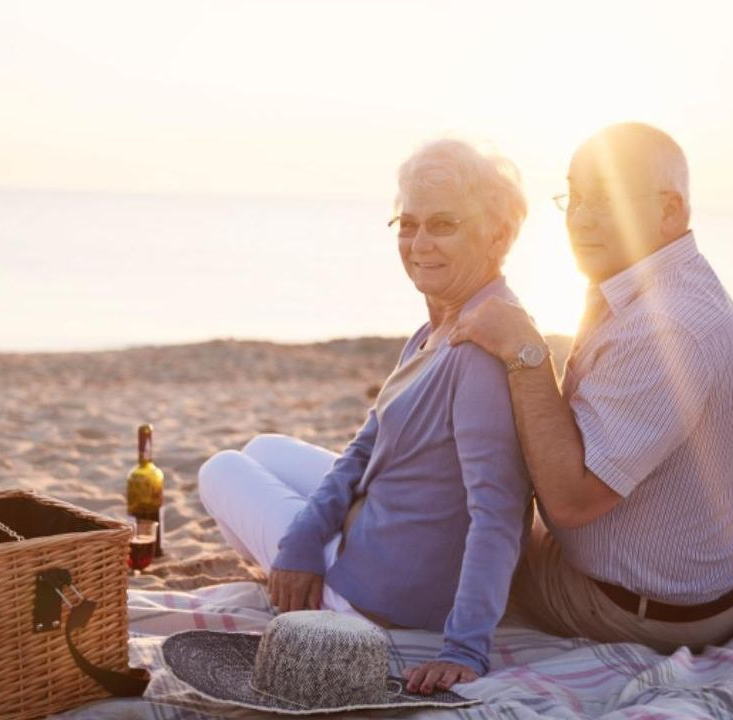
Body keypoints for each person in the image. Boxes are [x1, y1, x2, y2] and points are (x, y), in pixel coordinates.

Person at [198, 138, 533, 695]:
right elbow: (363, 449)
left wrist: (465, 648)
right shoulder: (436, 329)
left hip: (381, 595)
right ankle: (302, 562)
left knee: (219, 468)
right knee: (263, 449)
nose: (419, 243)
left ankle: (313, 596)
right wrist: (303, 540)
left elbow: (496, 510)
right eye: (408, 223)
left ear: (496, 234)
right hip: (385, 529)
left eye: (443, 224)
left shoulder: (479, 350)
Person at [449, 122, 733, 653]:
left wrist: (527, 353)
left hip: (656, 609)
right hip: (729, 575)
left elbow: (571, 502)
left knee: (439, 541)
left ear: (670, 211)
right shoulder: (661, 277)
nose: (580, 218)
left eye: (604, 199)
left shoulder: (666, 327)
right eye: (574, 198)